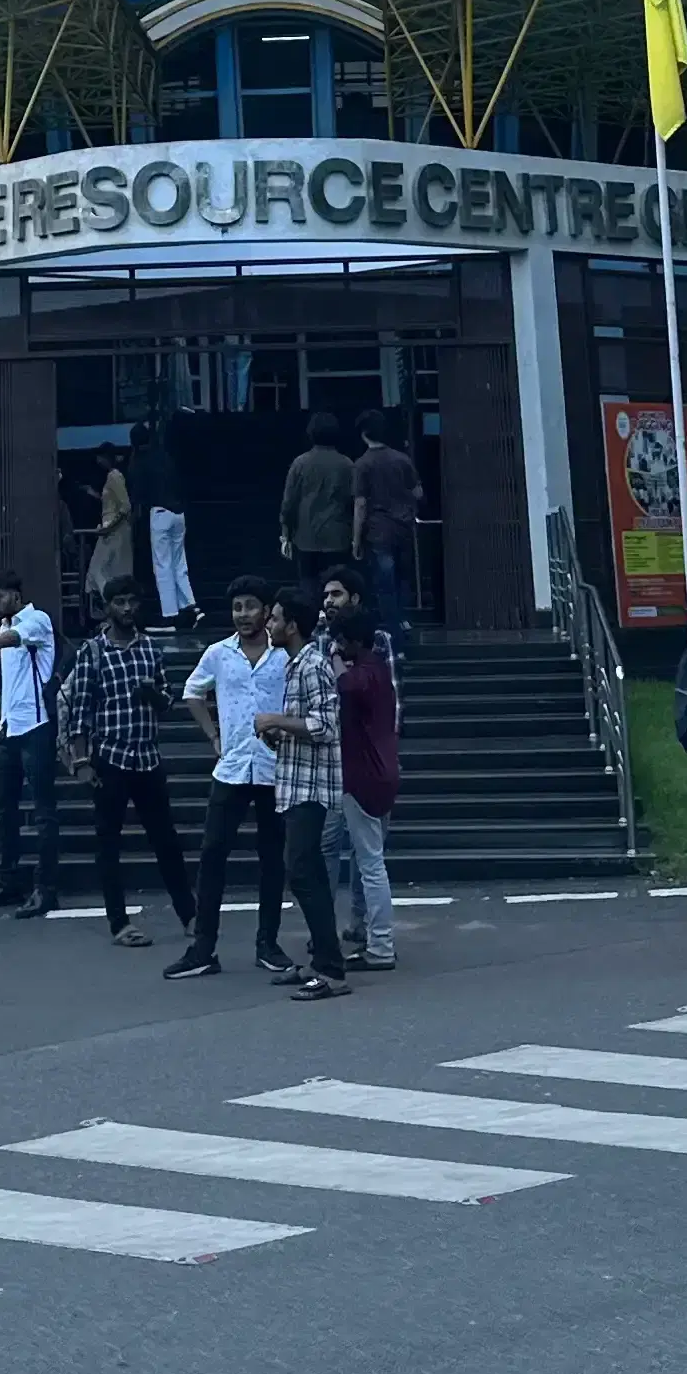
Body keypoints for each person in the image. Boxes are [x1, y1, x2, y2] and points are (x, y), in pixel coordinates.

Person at [58, 577, 195, 947]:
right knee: (109, 843)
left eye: (132, 601)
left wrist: (154, 694)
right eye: (120, 602)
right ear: (107, 608)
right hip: (111, 758)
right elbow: (80, 708)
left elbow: (168, 699)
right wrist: (82, 760)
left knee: (166, 840)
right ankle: (119, 922)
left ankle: (189, 914)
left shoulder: (151, 648)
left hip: (148, 757)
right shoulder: (93, 652)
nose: (128, 609)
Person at [170, 576, 292, 979]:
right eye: (237, 607)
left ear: (266, 610)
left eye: (251, 607)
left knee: (273, 859)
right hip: (233, 767)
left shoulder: (285, 654)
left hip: (276, 767)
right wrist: (212, 734)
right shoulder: (219, 654)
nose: (243, 615)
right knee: (212, 853)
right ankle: (203, 948)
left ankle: (268, 944)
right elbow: (192, 692)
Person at [254, 586, 350, 997]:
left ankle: (330, 969)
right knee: (303, 873)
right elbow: (306, 726)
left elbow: (326, 726)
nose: (268, 624)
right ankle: (323, 962)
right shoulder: (295, 664)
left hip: (311, 787)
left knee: (303, 873)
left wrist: (275, 719)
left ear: (292, 625)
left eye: (274, 618)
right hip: (296, 781)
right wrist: (279, 733)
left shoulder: (311, 665)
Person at [0, 573, 63, 916]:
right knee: (3, 808)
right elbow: (16, 676)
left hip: (37, 727)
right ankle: (8, 879)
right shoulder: (6, 626)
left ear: (12, 594)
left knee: (43, 810)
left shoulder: (35, 619)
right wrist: (0, 705)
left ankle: (46, 887)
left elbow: (16, 639)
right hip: (10, 728)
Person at [325, 595, 400, 969]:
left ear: (351, 641)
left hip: (361, 776)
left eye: (339, 640)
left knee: (370, 865)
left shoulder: (358, 677)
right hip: (386, 771)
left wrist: (337, 659)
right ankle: (378, 940)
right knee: (374, 861)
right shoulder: (380, 670)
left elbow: (344, 685)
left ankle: (381, 945)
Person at [351, 408, 422, 652]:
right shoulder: (402, 460)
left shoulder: (362, 464)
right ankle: (404, 622)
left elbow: (360, 504)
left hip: (378, 531)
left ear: (363, 434)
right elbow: (417, 492)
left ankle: (394, 639)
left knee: (384, 586)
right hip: (403, 528)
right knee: (403, 580)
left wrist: (355, 540)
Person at [130, 419, 197, 628]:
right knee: (179, 563)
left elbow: (137, 490)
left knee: (163, 565)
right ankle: (190, 606)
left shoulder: (140, 460)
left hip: (159, 512)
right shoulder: (165, 456)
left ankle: (170, 614)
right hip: (179, 512)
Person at [279, 409, 358, 577]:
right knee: (337, 586)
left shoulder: (300, 463)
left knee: (309, 588)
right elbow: (353, 502)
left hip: (306, 537)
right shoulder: (347, 464)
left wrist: (286, 534)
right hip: (338, 536)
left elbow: (289, 502)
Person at [85, 459, 139, 613]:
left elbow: (125, 506)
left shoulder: (114, 476)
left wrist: (110, 527)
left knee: (99, 570)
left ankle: (114, 605)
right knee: (104, 571)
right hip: (110, 530)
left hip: (115, 531)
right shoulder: (112, 477)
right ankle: (114, 605)